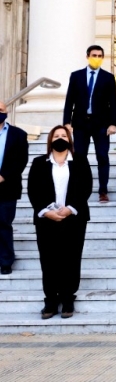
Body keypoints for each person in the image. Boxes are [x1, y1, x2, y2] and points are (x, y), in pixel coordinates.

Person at [27, 125, 92, 319]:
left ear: (69, 139)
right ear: (50, 140)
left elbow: (86, 187)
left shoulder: (80, 161)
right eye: (56, 135)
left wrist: (70, 208)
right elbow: (33, 190)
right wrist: (46, 212)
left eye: (64, 135)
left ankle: (68, 297)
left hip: (73, 218)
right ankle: (51, 300)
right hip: (47, 220)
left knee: (71, 258)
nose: (60, 138)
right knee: (48, 260)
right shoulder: (39, 163)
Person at [63, 45, 116, 203]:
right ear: (87, 56)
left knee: (102, 156)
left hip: (101, 124)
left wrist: (112, 124)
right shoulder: (76, 76)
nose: (97, 58)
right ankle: (80, 188)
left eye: (100, 55)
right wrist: (67, 122)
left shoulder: (108, 77)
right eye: (94, 55)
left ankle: (103, 190)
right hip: (80, 123)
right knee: (79, 157)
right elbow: (69, 101)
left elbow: (112, 103)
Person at [0, 100, 30, 274]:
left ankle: (5, 260)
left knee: (3, 223)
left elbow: (21, 160)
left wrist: (3, 176)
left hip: (7, 187)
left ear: (7, 111)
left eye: (1, 109)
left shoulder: (19, 135)